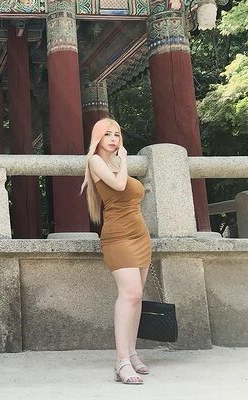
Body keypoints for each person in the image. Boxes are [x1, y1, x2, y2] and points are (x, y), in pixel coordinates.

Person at [80, 118, 151, 385]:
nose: (113, 139)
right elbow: (120, 186)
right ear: (97, 139)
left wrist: (122, 161)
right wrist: (125, 160)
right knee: (129, 293)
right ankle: (121, 360)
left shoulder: (118, 163)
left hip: (140, 235)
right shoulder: (96, 161)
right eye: (107, 134)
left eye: (117, 134)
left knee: (137, 296)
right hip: (118, 236)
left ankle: (132, 352)